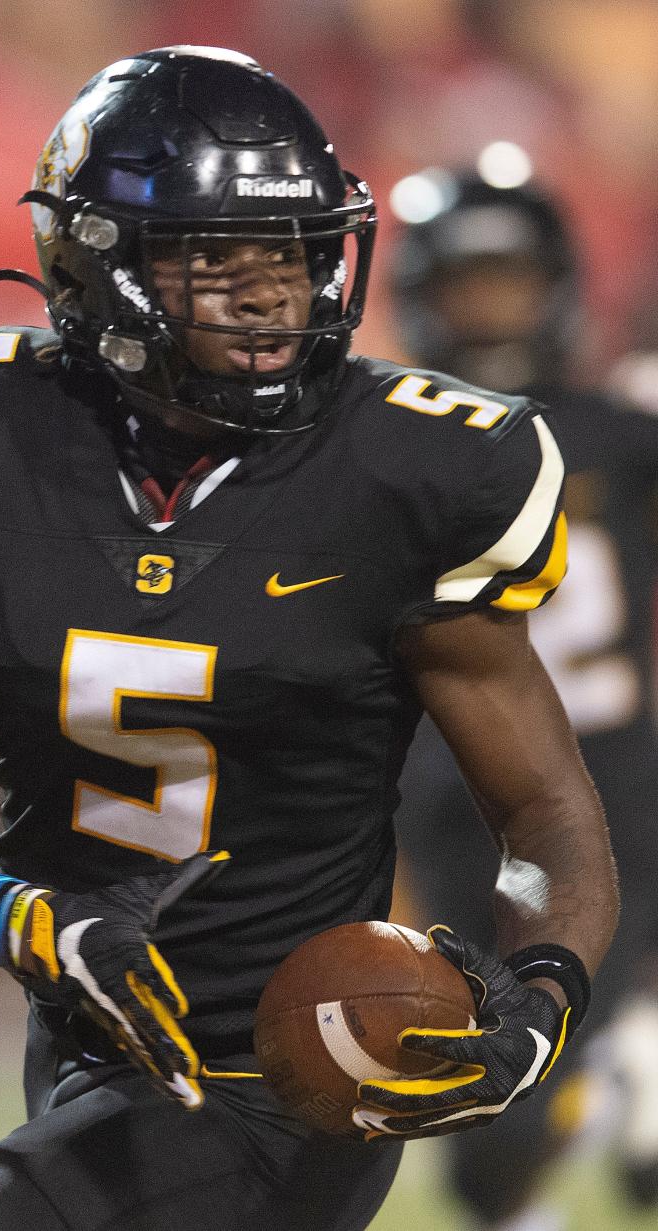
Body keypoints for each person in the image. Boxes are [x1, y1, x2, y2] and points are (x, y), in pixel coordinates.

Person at [0, 49, 618, 1231]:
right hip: (90, 1046)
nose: (269, 293)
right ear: (95, 265)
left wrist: (543, 993)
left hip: (291, 1069)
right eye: (214, 258)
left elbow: (547, 813)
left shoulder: (419, 469)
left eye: (293, 254)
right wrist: (20, 917)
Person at [389, 162, 658, 1227]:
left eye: (509, 280)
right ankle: (618, 1087)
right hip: (453, 796)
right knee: (480, 1125)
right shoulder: (380, 440)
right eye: (468, 284)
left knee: (523, 1083)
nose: (490, 309)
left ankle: (624, 1073)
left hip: (609, 786)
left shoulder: (619, 429)